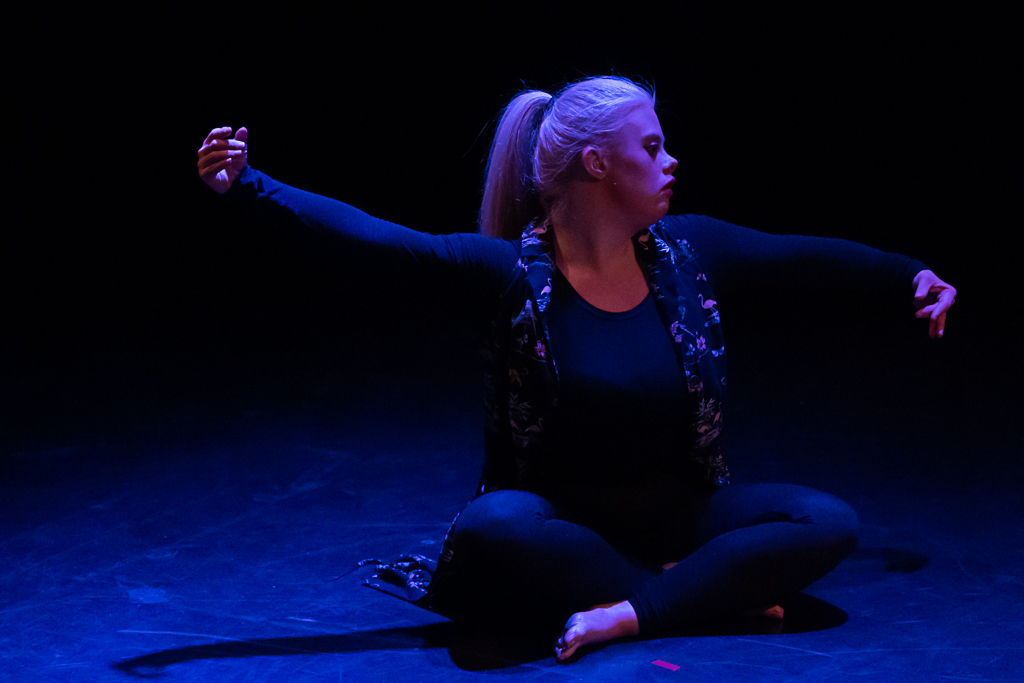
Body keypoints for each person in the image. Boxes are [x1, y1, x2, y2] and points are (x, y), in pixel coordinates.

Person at [197, 76, 956, 661]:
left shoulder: (690, 253)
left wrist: (907, 276)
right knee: (491, 527)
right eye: (651, 147)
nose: (671, 160)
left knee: (826, 519)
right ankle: (699, 596)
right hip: (563, 532)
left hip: (681, 517)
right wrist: (251, 185)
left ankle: (633, 610)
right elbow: (378, 242)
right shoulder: (510, 276)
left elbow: (804, 257)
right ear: (597, 163)